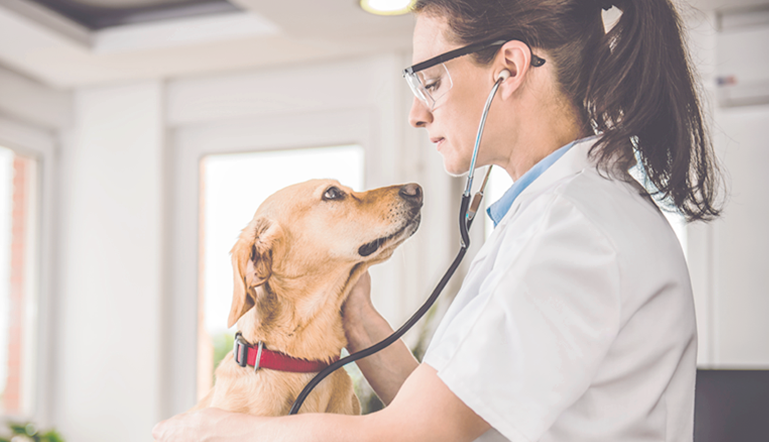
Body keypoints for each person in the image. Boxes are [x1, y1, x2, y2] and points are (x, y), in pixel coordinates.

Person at [152, 0, 724, 440]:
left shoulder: (575, 232)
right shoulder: (555, 219)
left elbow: (411, 434)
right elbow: (455, 410)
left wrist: (208, 427)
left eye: (430, 82)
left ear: (509, 68)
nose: (417, 112)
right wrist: (360, 321)